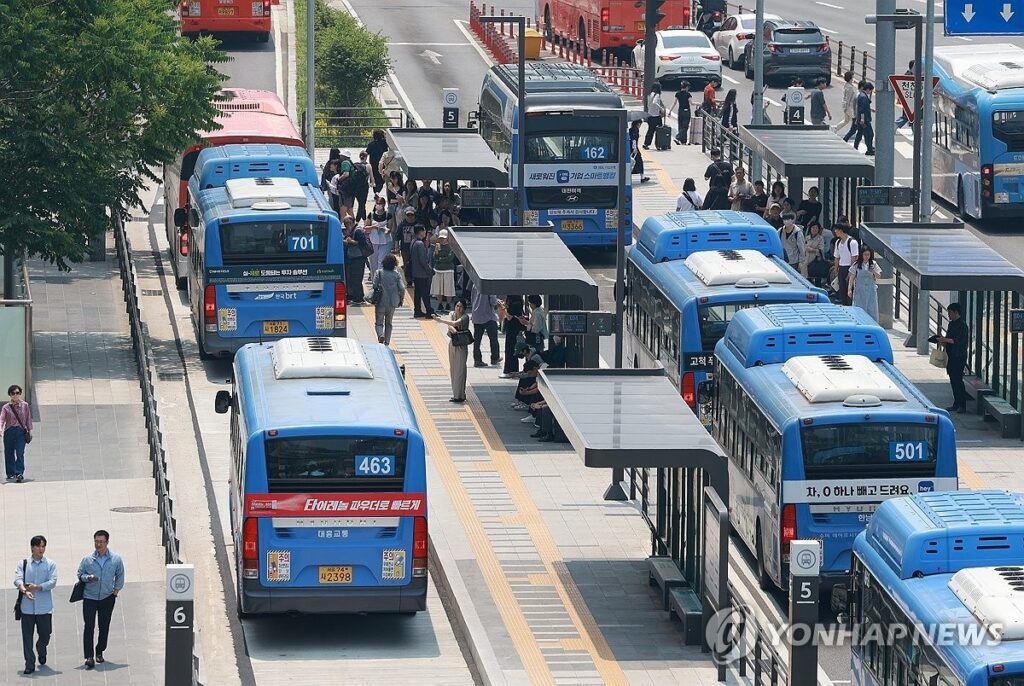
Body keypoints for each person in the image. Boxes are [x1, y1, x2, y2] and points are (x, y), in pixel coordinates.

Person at [77, 530, 125, 670]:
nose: (98, 544)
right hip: (89, 598)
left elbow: (120, 575)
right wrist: (88, 578)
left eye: (101, 542)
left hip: (107, 597)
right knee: (89, 626)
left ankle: (100, 650)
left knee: (104, 626)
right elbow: (80, 574)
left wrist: (115, 591)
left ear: (107, 542)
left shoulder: (115, 559)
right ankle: (89, 657)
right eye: (96, 542)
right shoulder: (87, 559)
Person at [14, 535, 57, 675]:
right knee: (27, 637)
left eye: (43, 546)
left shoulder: (50, 564)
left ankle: (41, 647)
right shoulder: (23, 563)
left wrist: (38, 587)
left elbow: (53, 582)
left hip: (44, 608)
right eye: (38, 546)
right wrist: (25, 591)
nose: (41, 549)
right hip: (27, 608)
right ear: (32, 547)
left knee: (45, 634)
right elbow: (18, 580)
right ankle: (29, 663)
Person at [934, 303, 970, 413]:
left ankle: (962, 405)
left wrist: (945, 340)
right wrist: (942, 341)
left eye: (950, 313)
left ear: (956, 312)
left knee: (958, 380)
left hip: (959, 356)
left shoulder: (963, 326)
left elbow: (958, 341)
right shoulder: (951, 324)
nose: (948, 315)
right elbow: (949, 338)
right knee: (953, 380)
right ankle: (956, 403)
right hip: (950, 355)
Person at [434, 300, 470, 403]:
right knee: (453, 369)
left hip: (461, 345)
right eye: (457, 306)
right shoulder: (452, 314)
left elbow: (454, 324)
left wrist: (440, 320)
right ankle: (456, 394)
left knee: (460, 370)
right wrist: (451, 328)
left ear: (464, 308)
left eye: (461, 306)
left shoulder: (465, 317)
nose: (458, 308)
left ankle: (460, 395)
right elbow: (451, 325)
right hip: (453, 343)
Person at [371, 254, 405, 345]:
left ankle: (380, 335)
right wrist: (401, 299)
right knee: (389, 323)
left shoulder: (379, 273)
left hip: (380, 301)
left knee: (379, 322)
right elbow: (402, 288)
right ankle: (387, 342)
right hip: (392, 302)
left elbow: (374, 285)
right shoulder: (396, 274)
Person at [2, 384, 32, 482]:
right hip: (9, 431)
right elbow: (2, 418)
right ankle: (10, 473)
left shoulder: (25, 405)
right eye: (13, 393)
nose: (15, 395)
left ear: (20, 394)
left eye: (17, 393)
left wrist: (30, 431)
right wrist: (0, 428)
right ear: (10, 395)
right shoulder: (6, 407)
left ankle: (19, 473)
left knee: (20, 452)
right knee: (9, 452)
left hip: (20, 432)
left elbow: (28, 419)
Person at [470, 282, 502, 368]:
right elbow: (493, 301)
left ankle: (477, 360)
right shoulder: (490, 285)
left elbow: (472, 298)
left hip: (477, 315)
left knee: (477, 340)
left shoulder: (475, 284)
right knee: (493, 338)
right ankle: (495, 357)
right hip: (488, 316)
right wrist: (498, 302)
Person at [848, 246, 881, 322]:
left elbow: (879, 276)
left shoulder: (873, 264)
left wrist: (873, 271)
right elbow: (852, 277)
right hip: (860, 290)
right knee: (859, 308)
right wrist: (849, 289)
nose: (866, 257)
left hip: (870, 290)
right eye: (865, 255)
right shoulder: (857, 264)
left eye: (868, 255)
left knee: (872, 308)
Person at [342, 216, 369, 304]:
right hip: (354, 257)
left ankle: (358, 298)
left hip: (359, 258)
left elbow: (363, 243)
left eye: (347, 224)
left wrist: (351, 241)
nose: (346, 226)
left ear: (351, 223)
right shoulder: (353, 231)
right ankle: (357, 297)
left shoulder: (358, 231)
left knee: (356, 278)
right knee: (354, 278)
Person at [498, 295, 526, 378]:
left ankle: (509, 371)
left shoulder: (513, 300)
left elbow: (509, 317)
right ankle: (514, 370)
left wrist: (503, 307)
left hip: (511, 328)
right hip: (516, 327)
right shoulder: (519, 300)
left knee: (509, 349)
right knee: (513, 349)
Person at [410, 225, 434, 318]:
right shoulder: (420, 244)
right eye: (424, 231)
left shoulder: (413, 242)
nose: (425, 233)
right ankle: (429, 311)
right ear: (420, 232)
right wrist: (429, 270)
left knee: (418, 293)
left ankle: (417, 310)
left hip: (415, 272)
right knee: (425, 293)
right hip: (422, 273)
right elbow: (423, 260)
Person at [833, 222, 858, 305]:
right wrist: (836, 269)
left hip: (849, 268)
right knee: (842, 289)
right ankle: (844, 305)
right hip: (841, 268)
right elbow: (837, 257)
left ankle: (850, 306)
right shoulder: (838, 242)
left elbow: (854, 257)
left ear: (841, 230)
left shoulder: (852, 242)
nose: (835, 231)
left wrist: (851, 271)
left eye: (836, 229)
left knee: (850, 289)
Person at [431, 229, 456, 312]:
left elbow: (450, 258)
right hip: (438, 269)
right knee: (438, 288)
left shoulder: (451, 246)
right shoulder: (437, 246)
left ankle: (448, 304)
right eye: (441, 238)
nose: (442, 240)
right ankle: (440, 304)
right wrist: (436, 252)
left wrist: (440, 259)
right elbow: (434, 258)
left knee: (448, 288)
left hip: (448, 270)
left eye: (444, 238)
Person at [366, 199, 392, 275]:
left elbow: (390, 229)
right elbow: (366, 228)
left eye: (380, 203)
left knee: (382, 261)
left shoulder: (388, 215)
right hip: (373, 241)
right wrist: (373, 227)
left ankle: (381, 277)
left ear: (384, 204)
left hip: (385, 241)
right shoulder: (371, 215)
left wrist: (384, 230)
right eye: (377, 203)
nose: (379, 205)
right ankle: (374, 278)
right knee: (373, 262)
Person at [396, 206, 419, 283]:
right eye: (408, 215)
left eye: (411, 215)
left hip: (416, 248)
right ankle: (408, 280)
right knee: (406, 264)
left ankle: (415, 279)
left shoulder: (417, 224)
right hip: (405, 248)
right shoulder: (402, 225)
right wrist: (397, 248)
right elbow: (397, 237)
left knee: (416, 264)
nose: (410, 216)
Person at [642, 83, 666, 150]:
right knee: (659, 131)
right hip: (656, 116)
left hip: (650, 116)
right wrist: (660, 108)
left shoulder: (649, 95)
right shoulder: (657, 95)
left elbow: (648, 104)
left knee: (650, 131)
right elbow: (654, 102)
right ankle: (659, 144)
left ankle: (646, 144)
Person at [804, 221, 828, 287]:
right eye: (813, 228)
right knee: (807, 280)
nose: (814, 229)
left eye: (816, 228)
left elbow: (821, 250)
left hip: (816, 261)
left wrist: (812, 250)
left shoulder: (820, 238)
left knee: (817, 280)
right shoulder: (807, 238)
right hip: (806, 261)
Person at [855, 81, 875, 155]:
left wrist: (870, 109)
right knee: (869, 134)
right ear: (868, 89)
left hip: (861, 119)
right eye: (871, 90)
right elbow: (862, 109)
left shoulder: (862, 95)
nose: (870, 92)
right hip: (864, 120)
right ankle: (869, 149)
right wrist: (862, 119)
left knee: (860, 134)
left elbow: (864, 106)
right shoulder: (863, 97)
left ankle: (856, 147)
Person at [366, 129, 389, 194]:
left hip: (373, 164)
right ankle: (377, 192)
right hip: (382, 164)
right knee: (381, 179)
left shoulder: (371, 144)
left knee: (375, 178)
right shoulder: (385, 143)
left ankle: (376, 192)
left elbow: (367, 152)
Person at [351, 151, 373, 222]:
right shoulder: (368, 166)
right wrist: (372, 184)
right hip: (364, 188)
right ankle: (357, 221)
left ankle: (364, 220)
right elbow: (372, 179)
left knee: (361, 204)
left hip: (355, 188)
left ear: (359, 156)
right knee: (362, 205)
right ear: (366, 157)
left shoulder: (355, 165)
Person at [334, 149, 356, 216]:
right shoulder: (350, 162)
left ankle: (343, 220)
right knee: (349, 207)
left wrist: (338, 180)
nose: (340, 156)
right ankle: (352, 220)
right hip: (351, 188)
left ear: (344, 156)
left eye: (341, 155)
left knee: (344, 207)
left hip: (346, 188)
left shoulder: (345, 163)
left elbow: (346, 174)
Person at [835, 71, 857, 137]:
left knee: (846, 120)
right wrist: (846, 107)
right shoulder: (850, 87)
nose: (853, 78)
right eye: (852, 77)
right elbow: (848, 98)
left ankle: (835, 128)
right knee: (855, 119)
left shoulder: (847, 85)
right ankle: (853, 132)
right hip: (849, 106)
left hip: (846, 105)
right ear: (850, 78)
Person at [894, 61, 915, 129]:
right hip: (909, 100)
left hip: (911, 99)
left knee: (912, 117)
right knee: (908, 116)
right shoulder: (908, 75)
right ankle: (895, 125)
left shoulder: (911, 74)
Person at [629, 119, 650, 183]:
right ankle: (642, 178)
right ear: (638, 124)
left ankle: (641, 177)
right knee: (639, 162)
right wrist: (635, 148)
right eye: (640, 124)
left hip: (630, 148)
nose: (640, 125)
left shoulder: (631, 129)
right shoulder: (635, 130)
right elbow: (634, 139)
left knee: (634, 162)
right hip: (634, 148)